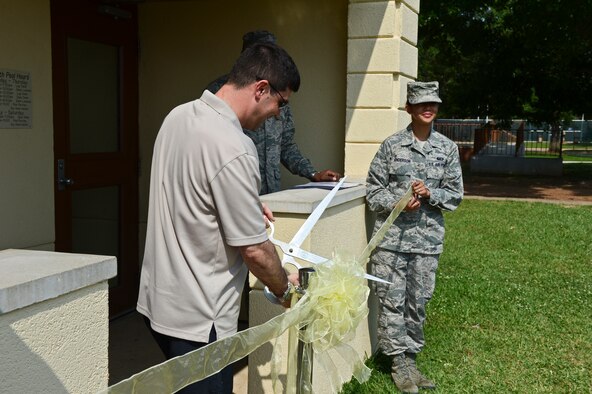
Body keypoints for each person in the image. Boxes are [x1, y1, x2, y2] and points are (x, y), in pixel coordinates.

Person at [137, 42, 301, 394]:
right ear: (261, 89)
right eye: (281, 104)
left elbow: (191, 189)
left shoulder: (178, 116)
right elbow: (255, 249)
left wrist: (241, 202)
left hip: (160, 304)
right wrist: (284, 288)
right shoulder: (234, 146)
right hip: (201, 321)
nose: (278, 115)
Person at [366, 81, 463, 393]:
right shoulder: (391, 147)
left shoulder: (447, 148)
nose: (428, 108)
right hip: (391, 241)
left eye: (433, 103)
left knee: (418, 301)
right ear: (408, 108)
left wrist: (431, 192)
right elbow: (372, 190)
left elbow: (455, 196)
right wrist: (397, 200)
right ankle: (398, 362)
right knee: (391, 300)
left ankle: (410, 355)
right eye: (421, 103)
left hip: (426, 241)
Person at [207, 30, 341, 195]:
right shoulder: (222, 91)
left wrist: (312, 173)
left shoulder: (279, 94)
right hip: (236, 192)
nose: (277, 112)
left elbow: (286, 145)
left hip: (271, 194)